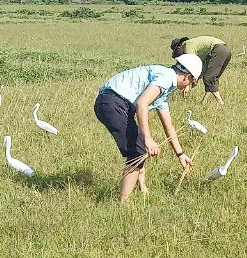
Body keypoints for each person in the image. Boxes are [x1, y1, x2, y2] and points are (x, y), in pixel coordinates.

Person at [94, 54, 202, 201]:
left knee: (137, 147)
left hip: (112, 103)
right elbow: (142, 104)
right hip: (112, 103)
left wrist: (180, 154)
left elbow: (169, 127)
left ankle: (141, 188)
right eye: (192, 83)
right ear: (187, 76)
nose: (188, 87)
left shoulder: (165, 88)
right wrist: (148, 139)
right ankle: (123, 203)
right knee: (137, 151)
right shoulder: (166, 77)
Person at [170, 36, 231, 105]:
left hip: (218, 49)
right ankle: (204, 101)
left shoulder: (188, 46)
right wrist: (195, 78)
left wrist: (187, 85)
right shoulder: (197, 48)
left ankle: (219, 101)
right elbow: (201, 68)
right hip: (225, 49)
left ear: (179, 47)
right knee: (211, 77)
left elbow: (190, 66)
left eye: (177, 52)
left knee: (209, 77)